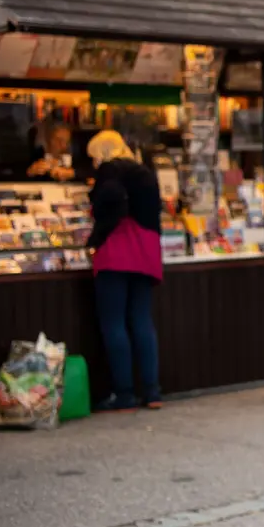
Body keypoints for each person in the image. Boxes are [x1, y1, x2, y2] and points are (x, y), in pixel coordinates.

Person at [85, 130, 164, 413]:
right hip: (146, 250)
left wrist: (95, 239)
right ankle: (152, 392)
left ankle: (125, 394)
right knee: (141, 320)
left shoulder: (111, 171)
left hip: (118, 250)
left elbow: (113, 199)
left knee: (114, 323)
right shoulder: (144, 172)